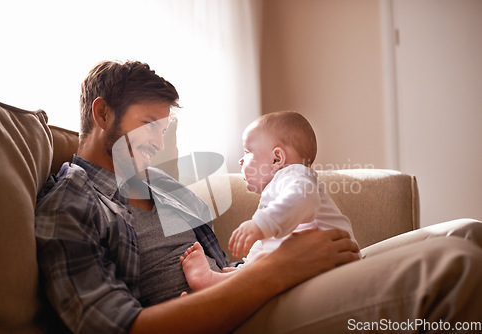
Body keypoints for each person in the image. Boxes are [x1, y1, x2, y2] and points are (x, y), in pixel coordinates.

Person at [35, 60, 482, 334]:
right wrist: (280, 268)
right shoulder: (71, 203)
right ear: (102, 113)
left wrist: (276, 264)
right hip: (238, 315)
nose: (160, 140)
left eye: (165, 128)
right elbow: (121, 329)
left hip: (257, 289)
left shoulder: (163, 188)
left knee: (466, 235)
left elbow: (226, 264)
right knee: (455, 268)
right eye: (150, 123)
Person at [181, 111, 360, 291]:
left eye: (247, 151)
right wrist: (246, 265)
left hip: (331, 259)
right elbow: (268, 244)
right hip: (311, 264)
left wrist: (262, 224)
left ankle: (213, 282)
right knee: (261, 263)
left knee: (262, 265)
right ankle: (224, 282)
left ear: (277, 159)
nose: (240, 160)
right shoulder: (278, 194)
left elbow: (305, 199)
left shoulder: (293, 174)